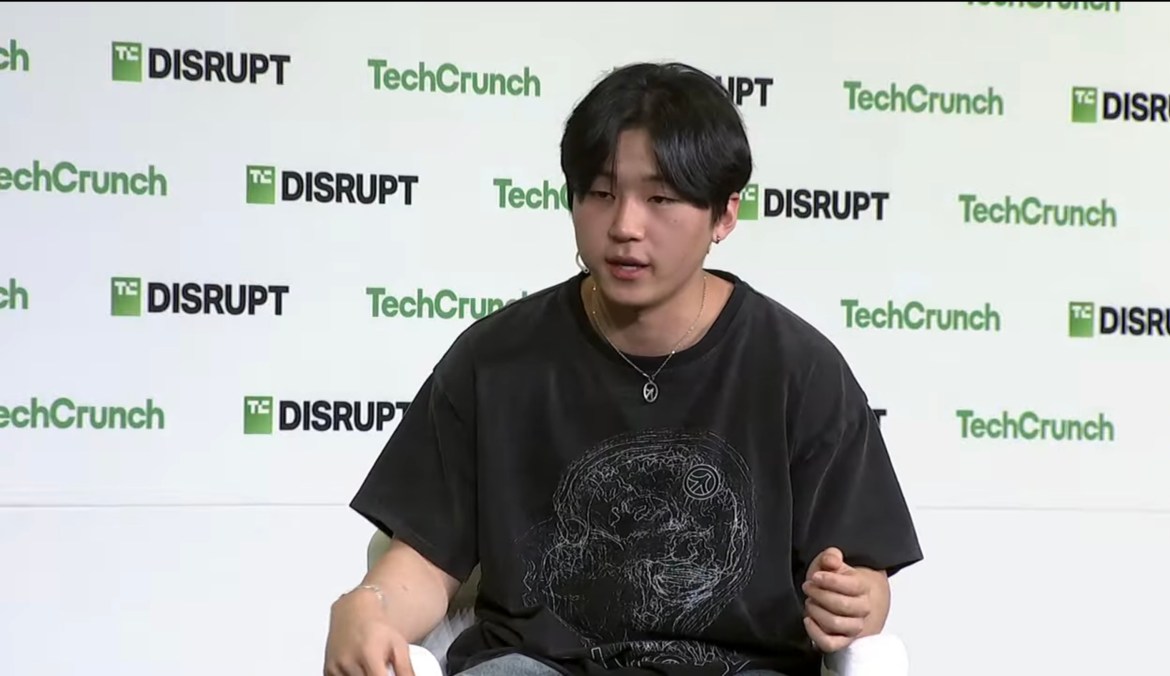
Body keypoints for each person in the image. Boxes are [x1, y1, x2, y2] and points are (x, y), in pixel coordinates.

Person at [323, 61, 923, 676]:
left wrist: (855, 602)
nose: (624, 227)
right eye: (601, 194)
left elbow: (862, 578)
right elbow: (424, 562)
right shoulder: (494, 360)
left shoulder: (800, 369)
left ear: (724, 214)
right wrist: (368, 607)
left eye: (660, 198)